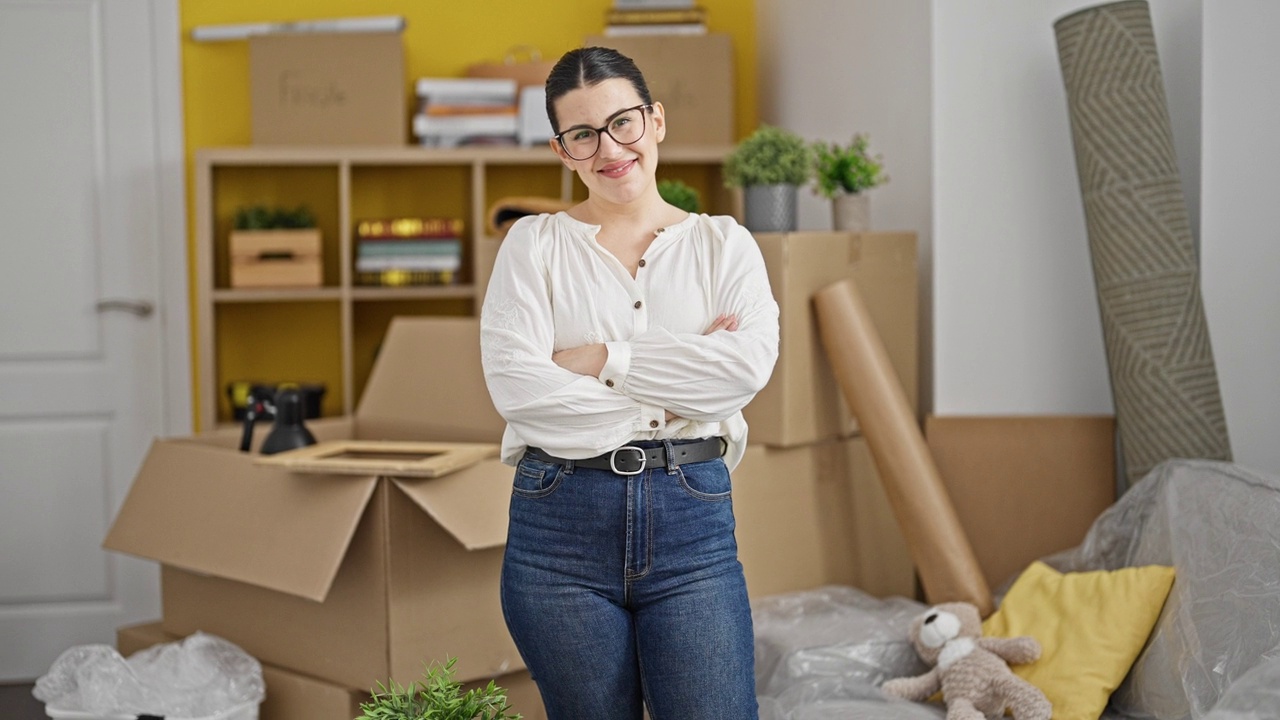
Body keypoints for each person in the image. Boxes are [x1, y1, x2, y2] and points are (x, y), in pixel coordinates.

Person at [479, 46, 779, 720]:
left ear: (656, 120)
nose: (608, 148)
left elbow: (742, 370)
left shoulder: (723, 246)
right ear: (562, 150)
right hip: (558, 530)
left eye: (623, 122)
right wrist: (676, 392)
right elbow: (521, 391)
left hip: (691, 527)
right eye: (582, 133)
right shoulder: (533, 246)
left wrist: (599, 358)